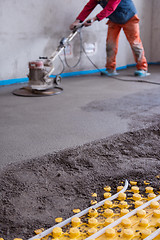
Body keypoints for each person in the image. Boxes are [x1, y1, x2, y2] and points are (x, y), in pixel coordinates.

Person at [70, 0, 149, 77]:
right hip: (114, 20)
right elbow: (88, 7)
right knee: (110, 45)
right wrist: (77, 21)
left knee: (135, 44)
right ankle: (110, 68)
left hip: (129, 17)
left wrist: (94, 19)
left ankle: (142, 68)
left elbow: (110, 7)